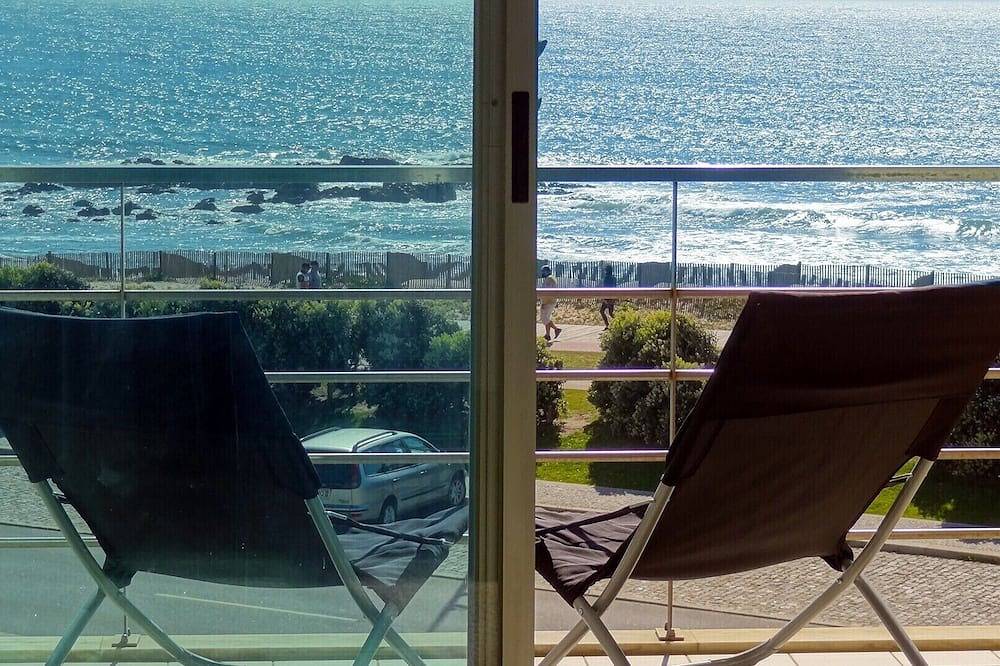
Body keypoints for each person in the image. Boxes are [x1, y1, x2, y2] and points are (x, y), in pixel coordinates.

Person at [539, 265, 561, 342]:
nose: (542, 273)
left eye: (543, 271)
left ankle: (556, 329)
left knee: (544, 318)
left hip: (548, 302)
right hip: (550, 301)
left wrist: (544, 302)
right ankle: (547, 335)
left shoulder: (549, 279)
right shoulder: (551, 278)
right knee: (547, 318)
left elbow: (548, 291)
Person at [599, 265, 617, 329]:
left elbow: (605, 288)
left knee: (602, 311)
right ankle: (618, 323)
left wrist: (604, 298)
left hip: (607, 297)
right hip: (613, 297)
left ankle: (608, 325)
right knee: (611, 313)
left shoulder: (606, 278)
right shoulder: (614, 278)